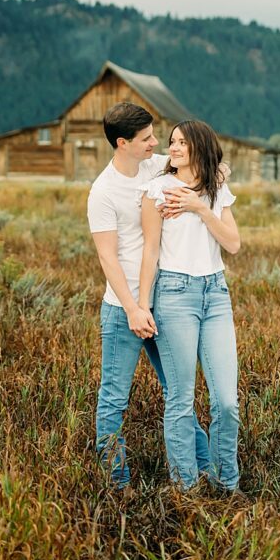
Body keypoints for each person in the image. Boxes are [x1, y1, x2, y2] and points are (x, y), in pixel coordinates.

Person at [87, 102, 210, 489]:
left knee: (178, 395)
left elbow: (210, 166)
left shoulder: (156, 165)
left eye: (155, 136)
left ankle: (205, 469)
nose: (156, 144)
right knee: (113, 400)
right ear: (122, 143)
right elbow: (108, 258)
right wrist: (133, 309)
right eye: (146, 139)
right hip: (124, 311)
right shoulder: (102, 192)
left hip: (165, 305)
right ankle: (117, 485)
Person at [137, 119, 242, 493]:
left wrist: (200, 206)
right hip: (175, 295)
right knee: (181, 399)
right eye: (171, 142)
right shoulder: (158, 190)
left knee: (227, 402)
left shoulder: (216, 189)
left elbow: (233, 244)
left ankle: (226, 485)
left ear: (198, 146)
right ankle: (186, 488)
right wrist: (142, 304)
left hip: (216, 294)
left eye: (181, 142)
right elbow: (150, 250)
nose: (173, 148)